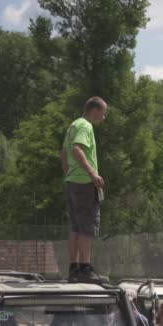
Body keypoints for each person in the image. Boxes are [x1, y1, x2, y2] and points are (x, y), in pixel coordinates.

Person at [60, 96, 108, 283]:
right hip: (84, 183)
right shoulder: (85, 126)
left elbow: (63, 153)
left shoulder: (72, 125)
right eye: (103, 113)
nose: (103, 118)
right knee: (87, 227)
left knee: (76, 227)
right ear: (94, 110)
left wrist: (68, 175)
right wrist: (92, 174)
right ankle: (85, 270)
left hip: (72, 181)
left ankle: (74, 269)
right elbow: (76, 150)